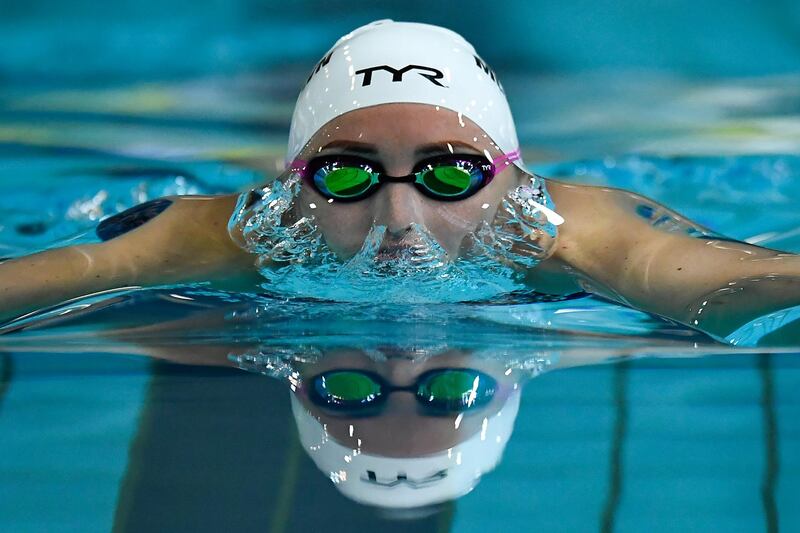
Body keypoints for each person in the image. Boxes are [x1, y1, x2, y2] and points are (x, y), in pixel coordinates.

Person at [1, 20, 799, 342]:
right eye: (345, 173)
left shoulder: (570, 236)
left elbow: (732, 282)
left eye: (451, 172)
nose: (398, 217)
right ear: (293, 188)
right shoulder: (223, 234)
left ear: (513, 180)